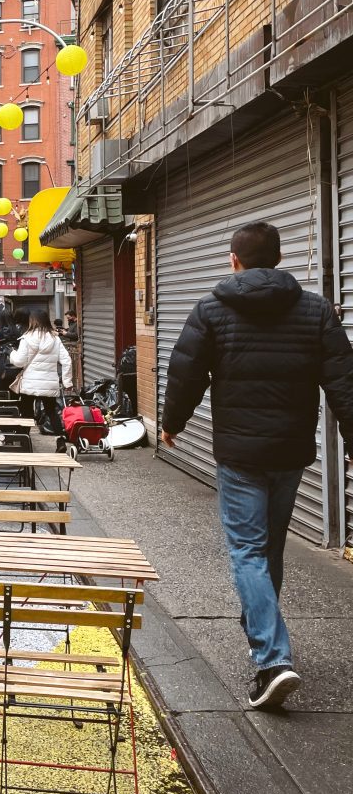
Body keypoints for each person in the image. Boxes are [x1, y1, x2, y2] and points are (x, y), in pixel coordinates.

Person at [161, 221, 353, 710]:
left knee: (248, 551)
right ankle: (262, 636)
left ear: (234, 260)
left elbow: (186, 371)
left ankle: (272, 659)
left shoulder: (211, 309)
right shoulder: (315, 311)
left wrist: (171, 423)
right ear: (279, 260)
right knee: (268, 550)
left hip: (241, 454)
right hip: (289, 452)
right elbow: (343, 382)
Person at [9, 310, 72, 434]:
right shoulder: (55, 339)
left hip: (30, 383)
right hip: (49, 383)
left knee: (27, 413)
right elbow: (67, 361)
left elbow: (19, 362)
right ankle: (60, 441)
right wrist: (67, 382)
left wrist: (11, 353)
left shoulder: (27, 338)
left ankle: (24, 441)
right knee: (52, 412)